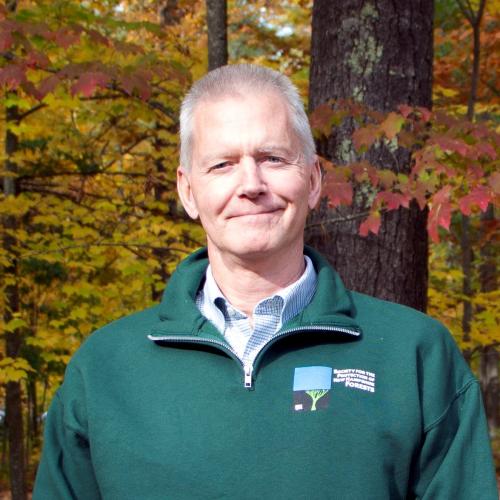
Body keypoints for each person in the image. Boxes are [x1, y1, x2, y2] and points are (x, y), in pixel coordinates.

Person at [33, 64, 497, 499]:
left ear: (314, 180)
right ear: (187, 191)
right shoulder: (104, 369)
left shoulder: (414, 355)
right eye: (222, 165)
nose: (251, 183)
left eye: (273, 158)